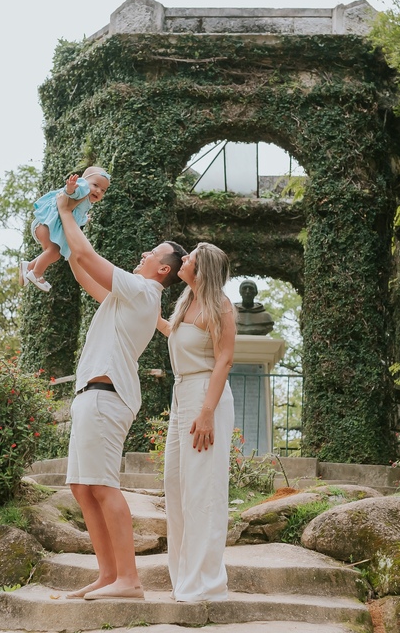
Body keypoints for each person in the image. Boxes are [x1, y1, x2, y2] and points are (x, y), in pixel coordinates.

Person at [55, 190, 186, 600]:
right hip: (93, 394)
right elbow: (81, 267)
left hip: (106, 395)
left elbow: (92, 259)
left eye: (152, 254)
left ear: (162, 269)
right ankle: (109, 575)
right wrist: (65, 229)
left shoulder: (145, 291)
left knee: (104, 486)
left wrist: (65, 211)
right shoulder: (128, 296)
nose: (144, 254)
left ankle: (129, 579)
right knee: (82, 487)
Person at [155, 242, 236, 603]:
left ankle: (204, 582)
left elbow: (224, 360)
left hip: (207, 396)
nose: (182, 260)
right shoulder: (186, 301)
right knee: (175, 485)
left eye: (188, 259)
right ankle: (182, 577)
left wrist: (207, 412)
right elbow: (173, 334)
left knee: (203, 490)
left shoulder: (221, 306)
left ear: (203, 269)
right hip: (181, 393)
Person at [21, 166, 111, 292]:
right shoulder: (83, 188)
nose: (98, 191)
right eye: (95, 185)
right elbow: (73, 192)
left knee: (55, 252)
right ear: (84, 181)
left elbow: (76, 217)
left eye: (103, 190)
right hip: (46, 225)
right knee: (53, 251)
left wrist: (85, 219)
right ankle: (36, 273)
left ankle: (29, 266)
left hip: (46, 225)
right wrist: (70, 189)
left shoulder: (86, 202)